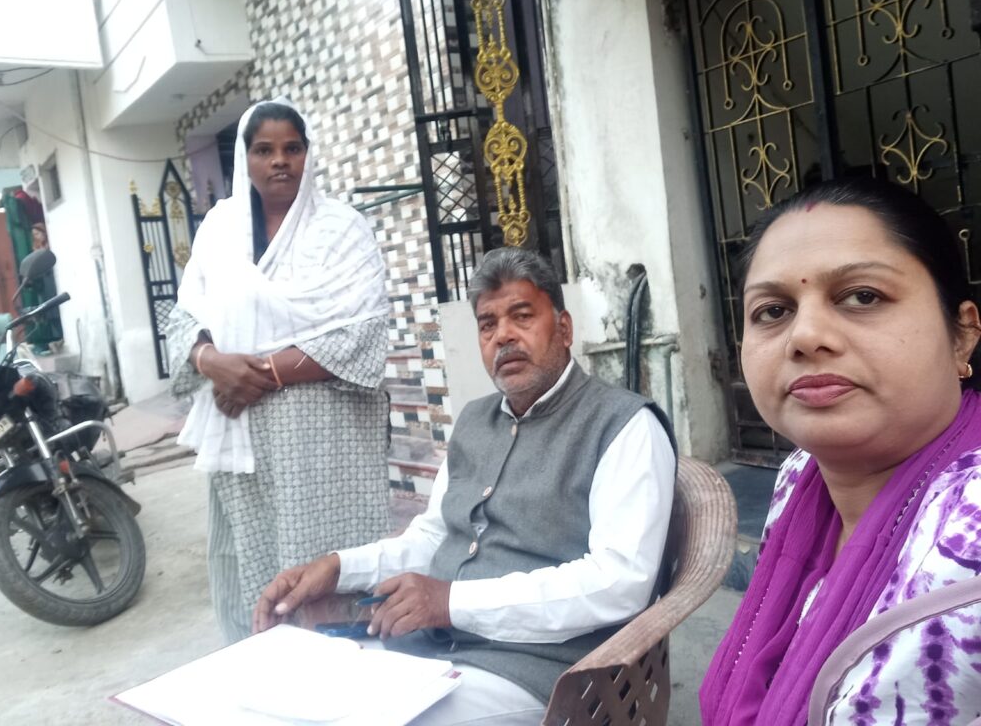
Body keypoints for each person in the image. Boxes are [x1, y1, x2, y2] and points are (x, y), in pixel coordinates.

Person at [254, 247, 677, 724]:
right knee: (287, 697)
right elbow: (435, 537)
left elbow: (619, 582)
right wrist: (338, 568)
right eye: (487, 324)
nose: (504, 336)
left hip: (548, 675)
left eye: (522, 316)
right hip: (431, 651)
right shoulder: (475, 421)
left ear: (564, 329)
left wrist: (450, 603)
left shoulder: (623, 425)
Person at [700, 177, 981, 725]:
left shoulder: (966, 545)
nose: (805, 336)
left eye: (862, 296)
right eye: (772, 311)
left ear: (962, 334)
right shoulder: (799, 476)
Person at [167, 97, 392, 644]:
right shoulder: (219, 229)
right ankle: (265, 669)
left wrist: (256, 374)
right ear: (244, 158)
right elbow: (183, 318)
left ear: (308, 154)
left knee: (329, 568)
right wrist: (211, 361)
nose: (279, 161)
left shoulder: (342, 230)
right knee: (254, 568)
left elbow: (364, 333)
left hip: (323, 444)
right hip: (241, 444)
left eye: (292, 148)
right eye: (264, 150)